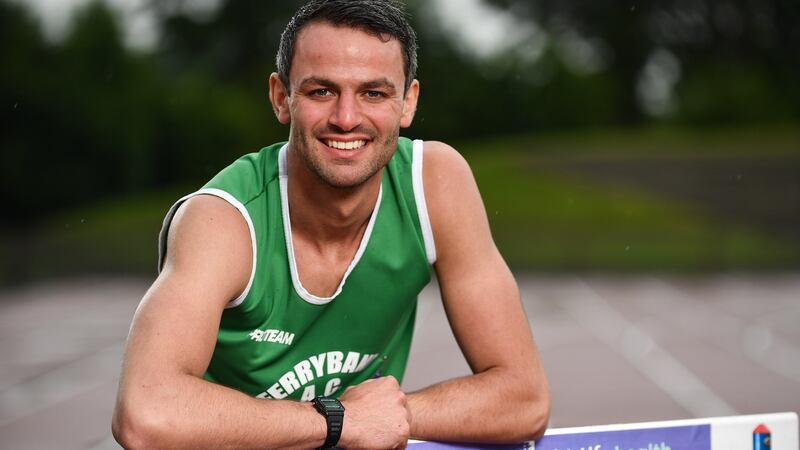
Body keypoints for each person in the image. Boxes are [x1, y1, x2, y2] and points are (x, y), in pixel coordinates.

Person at [112, 0, 550, 448]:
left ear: (408, 102)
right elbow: (146, 414)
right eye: (322, 91)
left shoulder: (434, 184)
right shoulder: (223, 219)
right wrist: (337, 421)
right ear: (281, 98)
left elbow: (524, 399)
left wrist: (384, 417)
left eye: (373, 93)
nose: (346, 118)